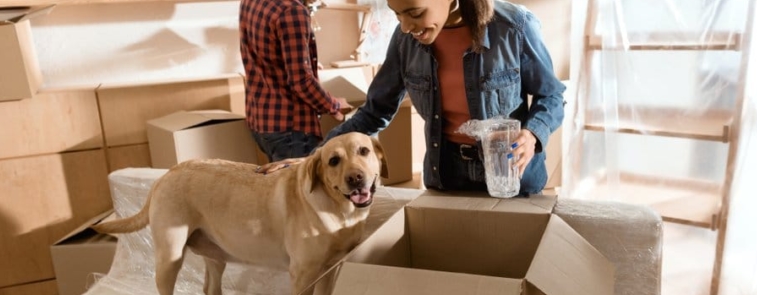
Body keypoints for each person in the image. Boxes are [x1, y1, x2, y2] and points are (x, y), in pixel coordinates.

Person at [261, 0, 565, 197]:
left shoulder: (514, 27)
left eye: (415, 13)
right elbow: (374, 112)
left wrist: (533, 134)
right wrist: (313, 157)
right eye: (397, 14)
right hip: (447, 175)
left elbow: (551, 95)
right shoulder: (405, 40)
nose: (406, 26)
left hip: (513, 174)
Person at [239, 0, 353, 162]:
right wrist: (333, 105)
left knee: (280, 185)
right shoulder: (291, 11)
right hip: (291, 129)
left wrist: (304, 61)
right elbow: (300, 81)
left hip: (261, 121)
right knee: (299, 187)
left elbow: (265, 52)